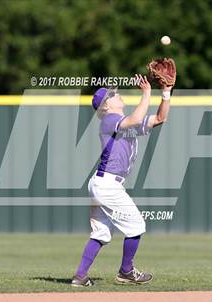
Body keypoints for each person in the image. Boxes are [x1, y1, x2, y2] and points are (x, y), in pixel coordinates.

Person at [71, 74, 172, 287]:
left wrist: (165, 92)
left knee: (101, 233)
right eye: (112, 94)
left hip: (103, 183)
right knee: (136, 225)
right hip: (107, 185)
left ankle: (80, 277)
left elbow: (160, 118)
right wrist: (146, 93)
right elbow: (135, 119)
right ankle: (126, 272)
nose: (117, 94)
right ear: (105, 106)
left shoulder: (124, 125)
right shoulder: (110, 120)